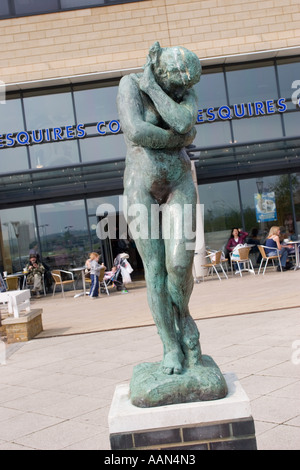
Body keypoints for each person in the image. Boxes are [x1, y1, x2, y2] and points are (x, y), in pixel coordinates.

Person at [117, 42, 202, 375]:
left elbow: (184, 120)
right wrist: (180, 138)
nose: (182, 90)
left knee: (180, 264)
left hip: (179, 182)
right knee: (154, 272)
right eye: (176, 83)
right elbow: (136, 130)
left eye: (186, 86)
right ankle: (170, 347)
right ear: (160, 70)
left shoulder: (182, 93)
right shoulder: (130, 85)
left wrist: (157, 89)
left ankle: (184, 318)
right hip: (140, 184)